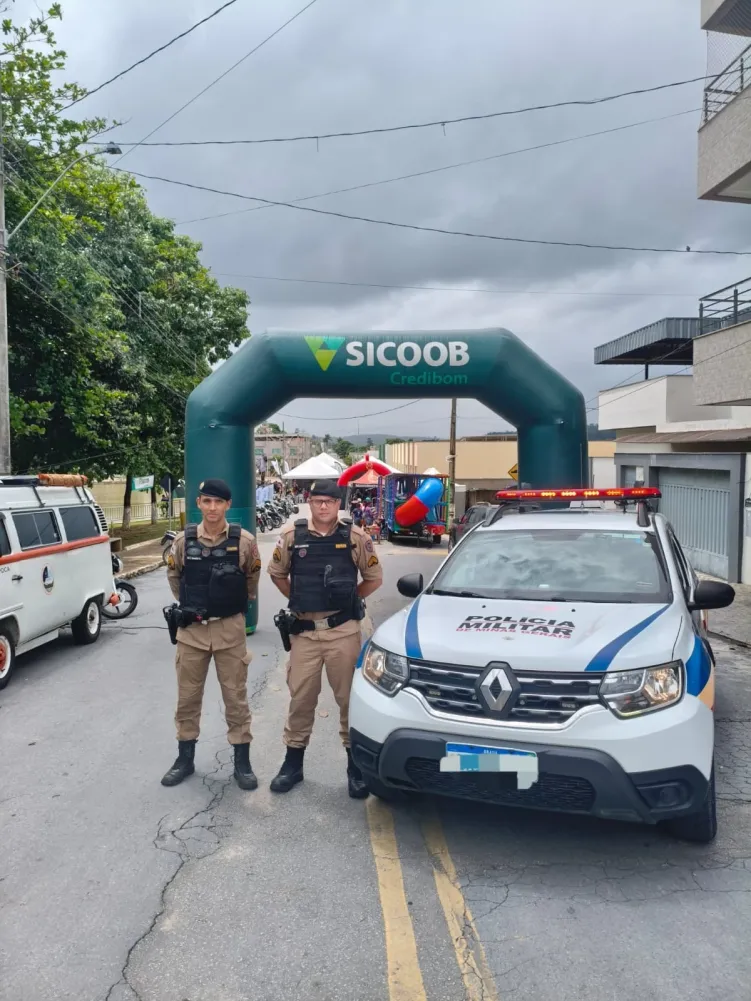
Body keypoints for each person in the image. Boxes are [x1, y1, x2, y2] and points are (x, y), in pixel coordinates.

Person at [267, 479, 383, 797]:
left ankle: (354, 768)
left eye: (328, 502)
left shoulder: (356, 537)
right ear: (310, 502)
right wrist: (297, 599)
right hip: (305, 632)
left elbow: (374, 577)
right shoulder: (292, 537)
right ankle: (293, 764)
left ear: (338, 505)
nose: (322, 507)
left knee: (348, 700)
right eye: (317, 501)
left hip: (342, 632)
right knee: (301, 698)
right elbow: (276, 572)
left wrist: (350, 601)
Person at [163, 478, 262, 791]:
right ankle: (185, 758)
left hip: (229, 632)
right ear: (199, 504)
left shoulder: (244, 542)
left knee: (236, 698)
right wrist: (197, 606)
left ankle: (242, 762)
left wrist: (224, 607)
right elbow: (175, 577)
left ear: (228, 505)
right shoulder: (183, 541)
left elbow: (251, 581)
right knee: (187, 699)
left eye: (218, 502)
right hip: (191, 633)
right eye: (206, 501)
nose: (212, 508)